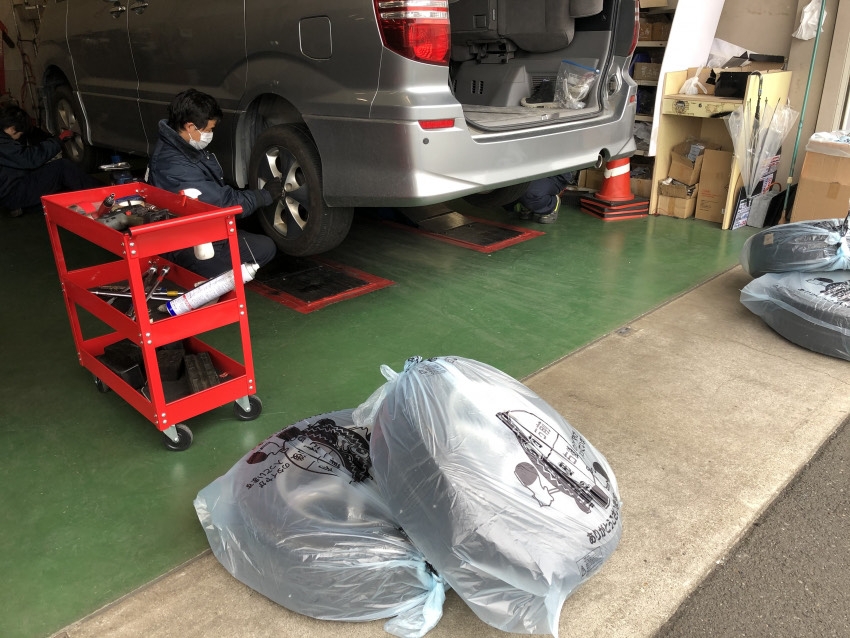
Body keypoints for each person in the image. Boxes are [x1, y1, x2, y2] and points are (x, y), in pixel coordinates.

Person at [147, 89, 280, 278]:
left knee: (265, 248)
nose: (210, 134)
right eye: (209, 130)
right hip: (185, 243)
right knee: (220, 278)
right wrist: (263, 196)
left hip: (206, 229)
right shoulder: (173, 166)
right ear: (190, 127)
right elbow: (221, 203)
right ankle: (188, 269)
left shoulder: (183, 145)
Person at [0, 103, 101, 217]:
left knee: (62, 184)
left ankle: (26, 207)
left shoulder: (3, 139)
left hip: (11, 190)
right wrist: (58, 141)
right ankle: (103, 193)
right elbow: (30, 158)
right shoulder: (3, 144)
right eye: (20, 134)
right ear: (12, 129)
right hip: (13, 194)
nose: (19, 137)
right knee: (62, 167)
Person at [512, 172, 576, 224]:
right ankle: (525, 203)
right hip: (530, 171)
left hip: (553, 174)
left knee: (529, 192)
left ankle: (551, 203)